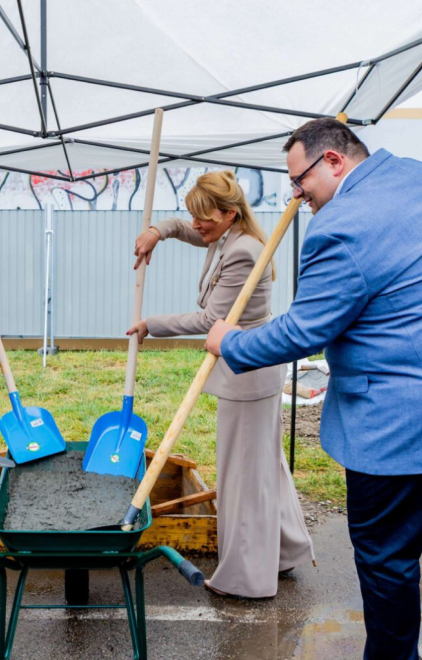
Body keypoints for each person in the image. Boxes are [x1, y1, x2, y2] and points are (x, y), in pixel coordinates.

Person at [205, 118, 422, 660]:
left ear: (334, 161)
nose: (296, 193)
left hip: (405, 420)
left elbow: (306, 329)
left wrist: (229, 341)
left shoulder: (341, 225)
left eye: (300, 179)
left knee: (388, 562)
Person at [129, 170, 314, 599]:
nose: (198, 227)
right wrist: (158, 230)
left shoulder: (244, 252)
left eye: (205, 219)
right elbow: (186, 228)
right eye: (195, 218)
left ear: (229, 213)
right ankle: (285, 551)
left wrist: (151, 325)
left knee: (244, 476)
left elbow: (212, 322)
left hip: (248, 372)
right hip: (250, 371)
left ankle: (247, 579)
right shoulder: (228, 234)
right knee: (265, 466)